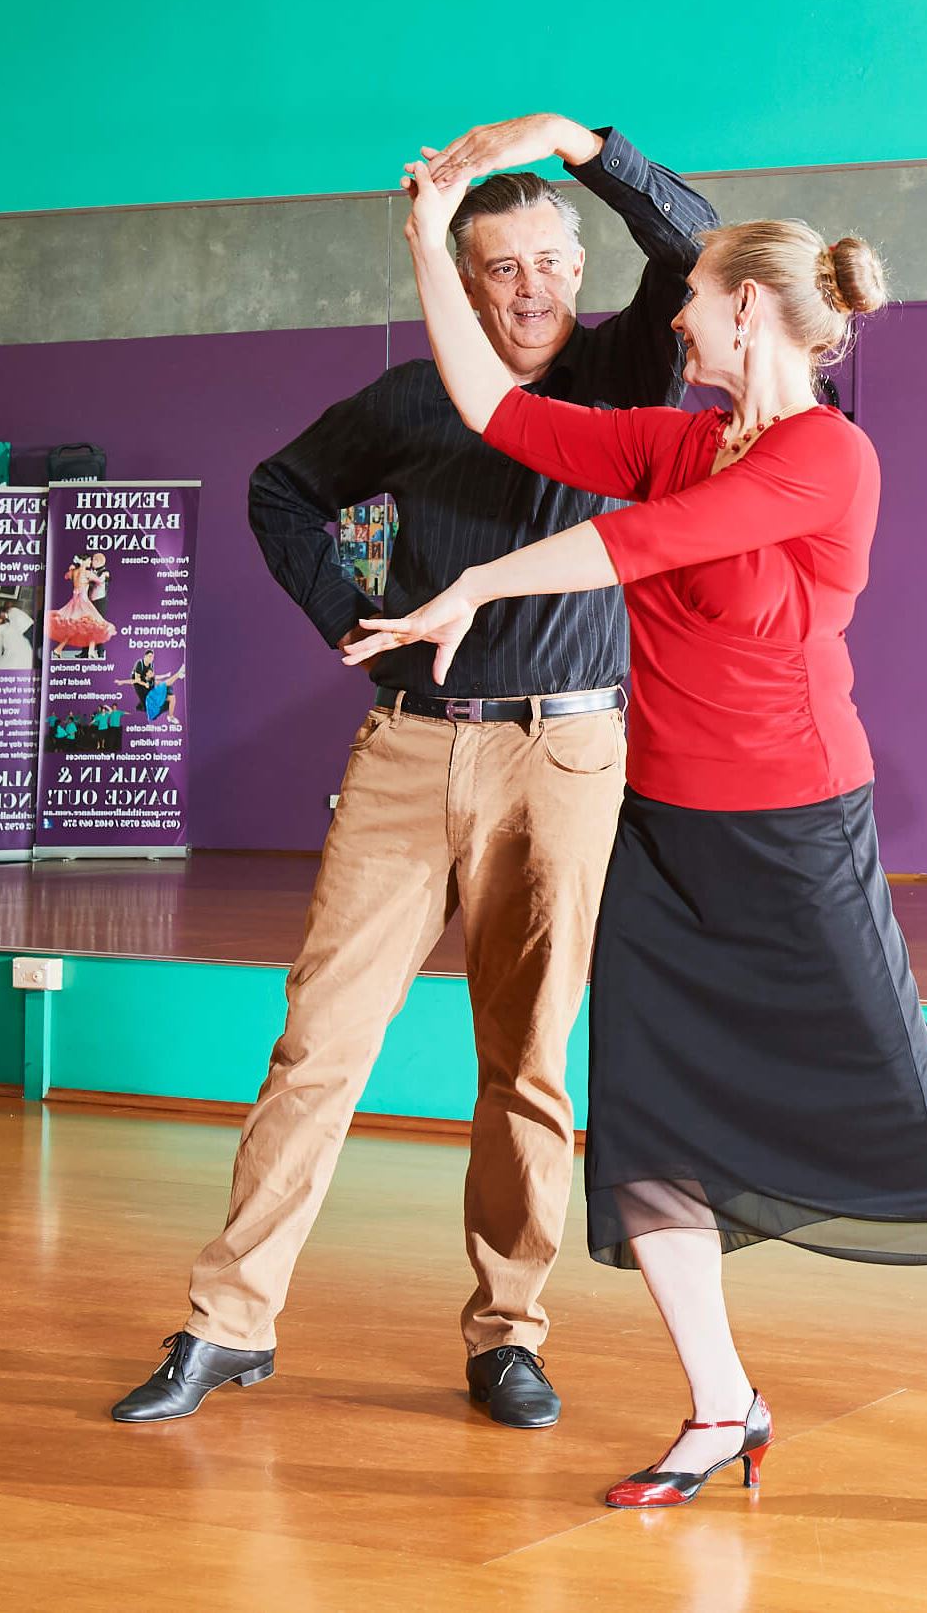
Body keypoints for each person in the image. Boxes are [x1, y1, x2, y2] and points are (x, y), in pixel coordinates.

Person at [346, 160, 927, 1539]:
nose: (670, 324)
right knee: (650, 1128)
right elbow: (495, 409)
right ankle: (718, 1401)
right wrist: (428, 237)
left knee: (921, 1125)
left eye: (692, 307)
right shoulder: (680, 436)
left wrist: (477, 580)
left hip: (795, 831)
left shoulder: (824, 454)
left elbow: (638, 548)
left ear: (746, 311)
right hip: (660, 832)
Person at [110, 113, 719, 1430]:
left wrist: (577, 146)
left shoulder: (620, 371)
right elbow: (281, 490)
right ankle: (229, 1320)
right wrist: (348, 615)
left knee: (529, 1067)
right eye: (498, 266)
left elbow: (693, 242)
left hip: (563, 751)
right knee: (316, 1046)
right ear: (457, 276)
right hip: (407, 747)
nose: (531, 287)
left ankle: (506, 1332)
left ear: (576, 264)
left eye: (549, 259)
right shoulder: (406, 398)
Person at [47, 556, 115, 657]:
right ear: (83, 561)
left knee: (75, 627)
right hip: (83, 603)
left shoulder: (74, 572)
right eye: (89, 560)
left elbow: (66, 576)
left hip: (74, 603)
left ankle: (59, 649)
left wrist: (72, 569)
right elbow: (100, 581)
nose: (90, 562)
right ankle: (90, 651)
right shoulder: (87, 573)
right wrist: (105, 574)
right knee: (93, 625)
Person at [0, 599, 35, 670]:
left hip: (28, 630)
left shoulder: (12, 612)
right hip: (29, 629)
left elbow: (14, 627)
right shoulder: (11, 613)